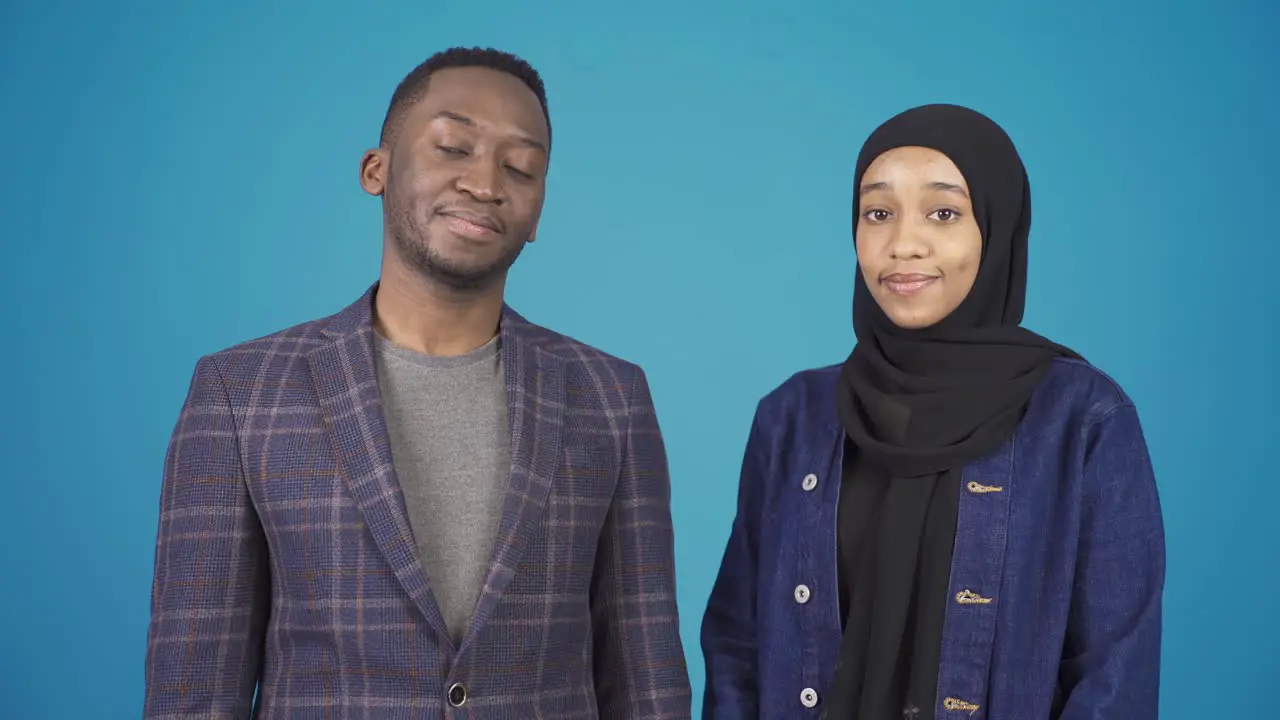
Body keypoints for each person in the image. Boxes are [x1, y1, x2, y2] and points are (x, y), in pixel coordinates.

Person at [143, 46, 691, 719]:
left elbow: (648, 681)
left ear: (539, 212)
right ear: (377, 169)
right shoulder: (239, 393)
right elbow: (193, 692)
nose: (485, 183)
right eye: (454, 147)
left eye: (520, 167)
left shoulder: (612, 398)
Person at [700, 104, 1164, 719]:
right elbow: (738, 643)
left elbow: (1114, 677)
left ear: (995, 230)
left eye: (943, 213)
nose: (903, 244)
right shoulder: (792, 417)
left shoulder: (1083, 420)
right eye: (878, 213)